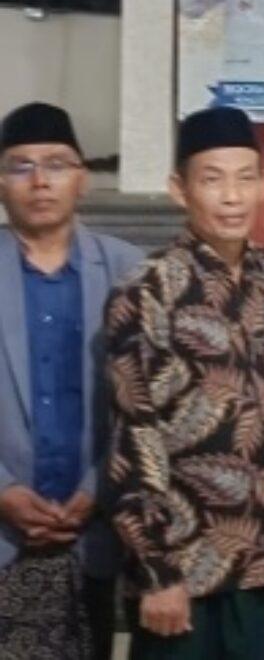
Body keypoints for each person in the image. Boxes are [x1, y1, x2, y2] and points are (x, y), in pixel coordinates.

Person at [106, 107, 264, 659]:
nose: (232, 197)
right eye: (212, 180)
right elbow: (133, 435)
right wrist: (155, 571)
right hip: (181, 571)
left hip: (262, 564)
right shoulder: (147, 289)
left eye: (245, 178)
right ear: (180, 189)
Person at [0, 102, 143, 660]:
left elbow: (152, 406)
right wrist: (3, 490)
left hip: (95, 534)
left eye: (56, 164)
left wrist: (96, 487)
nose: (40, 181)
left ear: (82, 178)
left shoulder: (134, 272)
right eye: (21, 166)